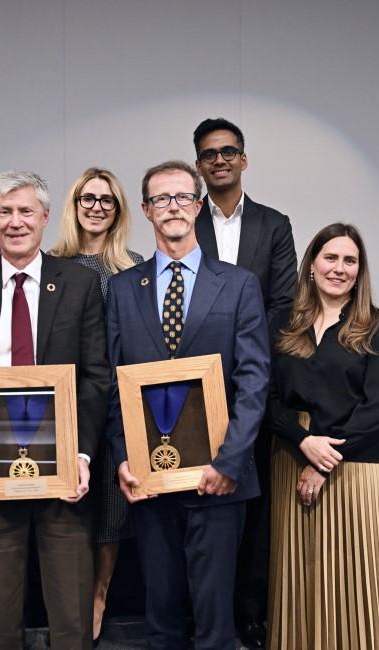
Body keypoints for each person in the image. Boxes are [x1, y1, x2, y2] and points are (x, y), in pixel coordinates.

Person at [0, 170, 110, 650]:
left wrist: (82, 455)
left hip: (65, 471)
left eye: (26, 211)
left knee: (72, 621)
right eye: (5, 212)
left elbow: (95, 377)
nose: (16, 222)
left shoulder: (78, 283)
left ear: (45, 217)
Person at [105, 160, 270, 649]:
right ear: (146, 210)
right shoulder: (122, 289)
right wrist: (123, 457)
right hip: (150, 478)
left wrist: (230, 462)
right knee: (162, 619)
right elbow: (113, 383)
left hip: (218, 478)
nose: (172, 207)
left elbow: (254, 380)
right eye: (161, 199)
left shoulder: (239, 284)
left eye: (182, 197)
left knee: (216, 622)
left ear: (198, 207)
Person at [266, 223, 379, 649]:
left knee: (358, 585)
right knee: (301, 581)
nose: (339, 268)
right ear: (311, 264)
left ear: (360, 271)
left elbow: (378, 407)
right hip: (292, 461)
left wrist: (324, 461)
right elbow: (264, 397)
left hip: (360, 470)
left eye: (350, 261)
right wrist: (302, 441)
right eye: (330, 257)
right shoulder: (282, 322)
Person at [193, 117, 297, 648]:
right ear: (199, 164)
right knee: (200, 502)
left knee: (252, 505)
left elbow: (284, 303)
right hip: (194, 385)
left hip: (254, 385)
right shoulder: (186, 218)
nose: (220, 160)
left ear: (244, 159)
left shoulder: (274, 225)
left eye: (228, 151)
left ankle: (250, 614)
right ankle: (203, 617)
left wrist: (247, 354)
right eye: (209, 153)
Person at [49, 167, 143, 644]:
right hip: (68, 402)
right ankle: (69, 604)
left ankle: (99, 597)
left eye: (107, 200)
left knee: (111, 507)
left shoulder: (134, 267)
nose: (97, 207)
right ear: (74, 205)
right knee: (69, 506)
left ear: (119, 210)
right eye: (88, 198)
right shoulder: (52, 265)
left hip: (120, 403)